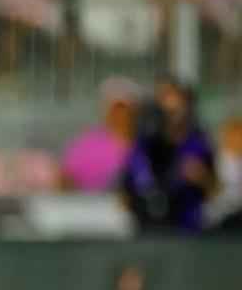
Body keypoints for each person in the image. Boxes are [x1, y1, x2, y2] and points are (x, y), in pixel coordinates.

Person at [120, 79, 216, 232]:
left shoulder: (198, 144)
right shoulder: (144, 145)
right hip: (148, 229)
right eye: (167, 111)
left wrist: (202, 177)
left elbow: (214, 189)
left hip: (187, 229)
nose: (172, 117)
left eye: (177, 110)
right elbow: (126, 191)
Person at [60, 75, 140, 193]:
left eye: (124, 109)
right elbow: (66, 178)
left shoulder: (143, 143)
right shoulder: (87, 144)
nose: (120, 115)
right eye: (115, 110)